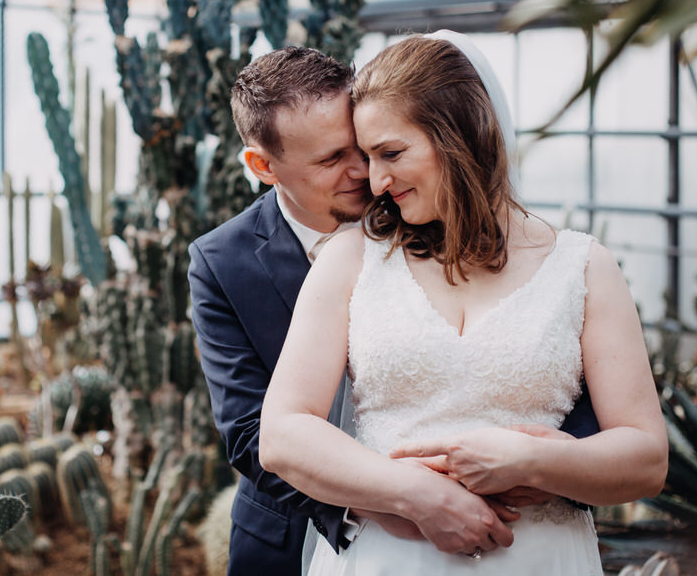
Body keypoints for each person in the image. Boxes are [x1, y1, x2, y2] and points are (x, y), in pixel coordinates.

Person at [258, 32, 668, 575]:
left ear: (459, 136)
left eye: (392, 153)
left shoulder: (585, 267)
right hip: (387, 560)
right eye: (368, 157)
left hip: (539, 560)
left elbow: (646, 457)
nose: (375, 182)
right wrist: (412, 493)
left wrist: (535, 460)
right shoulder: (352, 259)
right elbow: (283, 433)